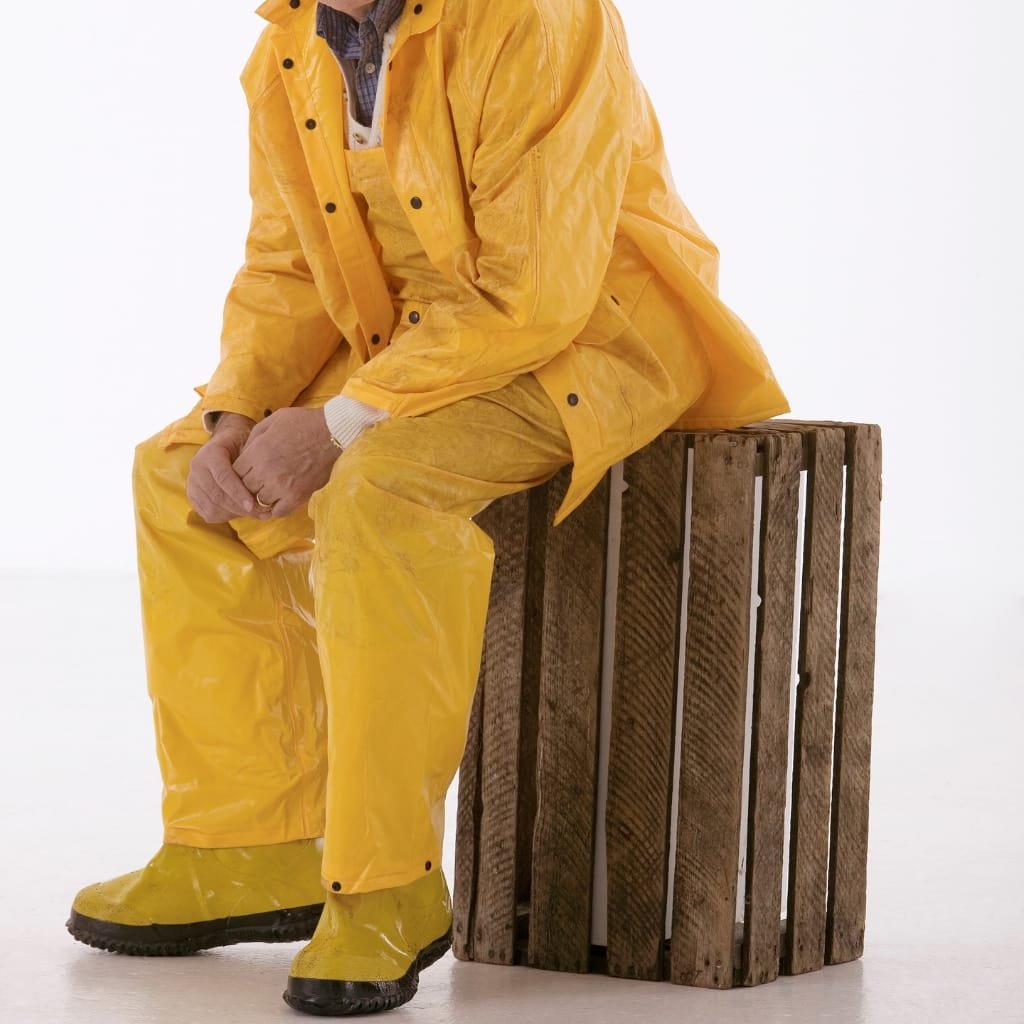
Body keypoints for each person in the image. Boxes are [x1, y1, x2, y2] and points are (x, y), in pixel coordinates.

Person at [65, 0, 791, 1016]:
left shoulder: (539, 18)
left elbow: (538, 288)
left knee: (381, 493)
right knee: (179, 475)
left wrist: (339, 425)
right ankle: (246, 846)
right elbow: (286, 268)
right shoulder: (286, 52)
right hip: (415, 350)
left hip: (586, 337)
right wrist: (235, 412)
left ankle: (387, 884)